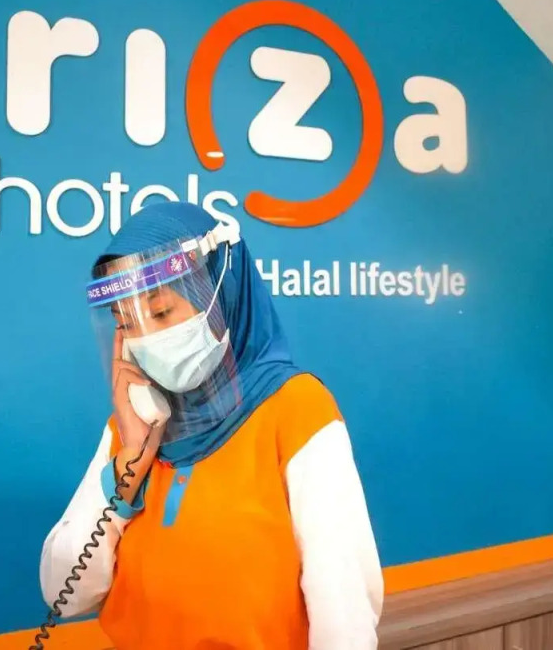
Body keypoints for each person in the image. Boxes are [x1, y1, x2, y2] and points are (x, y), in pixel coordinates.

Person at [39, 202, 383, 649]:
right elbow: (63, 595)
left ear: (221, 296)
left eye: (161, 313)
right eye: (128, 324)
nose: (147, 339)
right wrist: (128, 466)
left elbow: (344, 613)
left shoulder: (295, 409)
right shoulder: (131, 424)